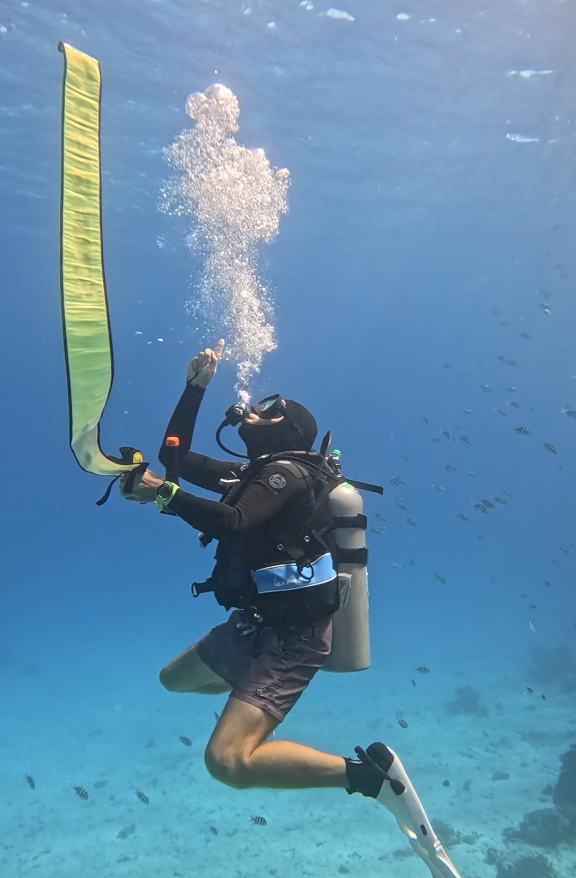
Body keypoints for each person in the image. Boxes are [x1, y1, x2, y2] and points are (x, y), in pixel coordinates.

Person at [121, 340, 463, 878]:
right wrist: (194, 388)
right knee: (173, 680)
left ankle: (371, 778)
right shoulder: (253, 474)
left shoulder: (290, 474)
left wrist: (163, 496)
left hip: (293, 640)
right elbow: (173, 458)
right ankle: (252, 711)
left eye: (270, 407)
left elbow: (233, 523)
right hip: (254, 624)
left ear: (291, 429)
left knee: (226, 762)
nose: (253, 410)